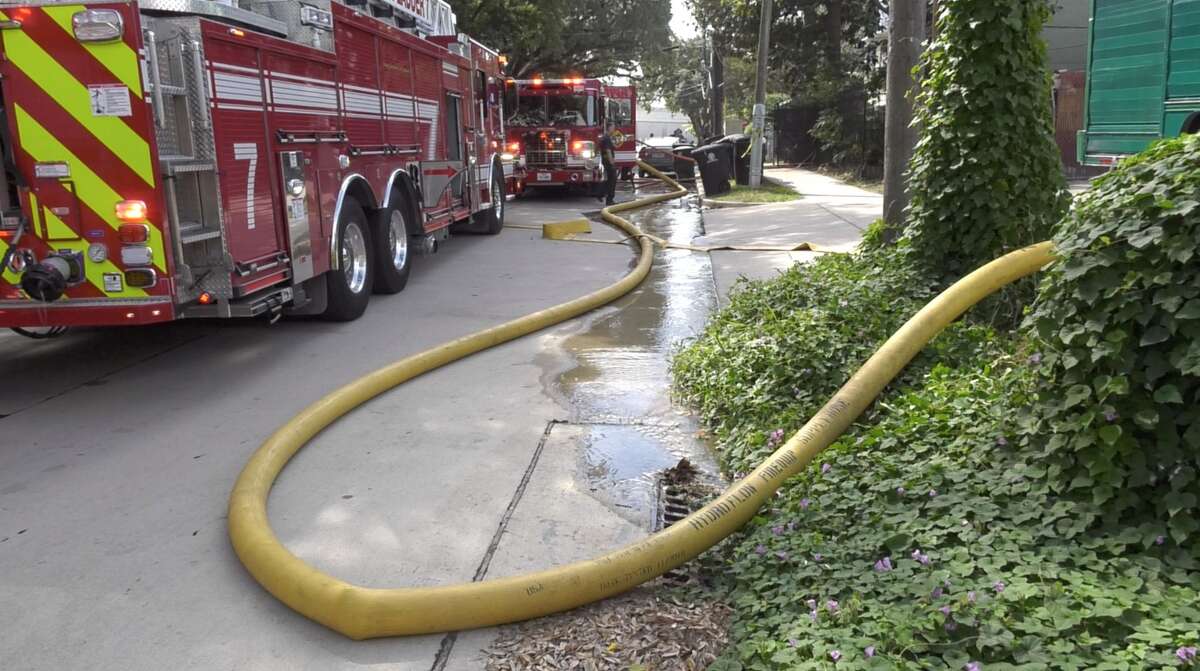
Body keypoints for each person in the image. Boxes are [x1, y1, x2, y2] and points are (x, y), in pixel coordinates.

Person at [596, 121, 618, 206]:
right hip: (608, 162)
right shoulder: (607, 138)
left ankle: (600, 194)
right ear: (609, 128)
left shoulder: (604, 137)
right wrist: (612, 162)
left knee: (608, 179)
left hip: (605, 161)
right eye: (613, 127)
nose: (614, 129)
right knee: (612, 180)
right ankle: (609, 200)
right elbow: (608, 151)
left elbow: (598, 148)